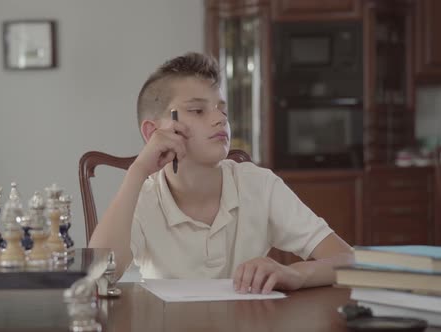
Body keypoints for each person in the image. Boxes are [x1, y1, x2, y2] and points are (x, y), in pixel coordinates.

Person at [89, 52, 353, 294]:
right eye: (197, 110)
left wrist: (296, 274)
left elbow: (351, 261)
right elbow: (97, 275)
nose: (220, 119)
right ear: (152, 132)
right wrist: (137, 172)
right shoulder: (143, 198)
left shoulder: (259, 185)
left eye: (221, 109)